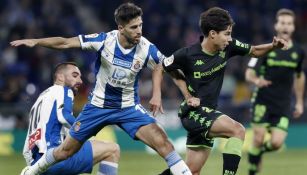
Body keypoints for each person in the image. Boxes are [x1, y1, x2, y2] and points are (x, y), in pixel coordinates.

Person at [12, 3, 192, 175]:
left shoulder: (146, 48)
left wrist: (186, 95)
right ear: (121, 28)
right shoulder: (104, 40)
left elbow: (169, 69)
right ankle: (32, 172)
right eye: (133, 27)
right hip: (97, 107)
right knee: (64, 152)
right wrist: (36, 41)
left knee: (164, 143)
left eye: (140, 25)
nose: (139, 31)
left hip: (127, 107)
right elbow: (65, 43)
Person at [157, 7, 288, 175]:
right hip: (193, 113)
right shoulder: (187, 54)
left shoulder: (228, 47)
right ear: (212, 34)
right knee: (237, 130)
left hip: (208, 112)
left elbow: (254, 51)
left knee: (191, 171)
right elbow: (163, 67)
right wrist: (181, 95)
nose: (230, 38)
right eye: (227, 34)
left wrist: (273, 46)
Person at [22, 62, 120, 175]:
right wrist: (86, 129)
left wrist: (32, 167)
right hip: (56, 158)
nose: (80, 81)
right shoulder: (63, 90)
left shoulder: (40, 99)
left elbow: (28, 142)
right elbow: (64, 116)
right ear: (60, 77)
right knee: (112, 149)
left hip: (38, 163)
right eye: (74, 75)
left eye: (80, 77)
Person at [245, 9, 305, 175]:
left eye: (289, 23)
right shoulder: (265, 48)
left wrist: (299, 101)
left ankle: (258, 152)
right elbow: (248, 73)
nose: (285, 26)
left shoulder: (298, 52)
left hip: (283, 104)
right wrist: (257, 81)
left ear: (293, 27)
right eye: (282, 23)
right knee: (258, 138)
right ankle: (252, 171)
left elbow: (299, 77)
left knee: (277, 143)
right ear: (276, 26)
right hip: (262, 100)